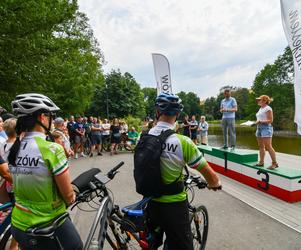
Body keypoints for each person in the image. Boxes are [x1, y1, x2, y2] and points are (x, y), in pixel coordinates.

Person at [145, 93, 221, 250]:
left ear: (157, 112)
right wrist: (215, 183)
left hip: (150, 202)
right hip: (174, 205)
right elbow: (209, 173)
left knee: (151, 243)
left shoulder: (144, 137)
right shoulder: (182, 141)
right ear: (178, 115)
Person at [8, 93, 83, 249]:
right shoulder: (52, 149)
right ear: (42, 117)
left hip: (18, 224)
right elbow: (68, 196)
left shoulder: (13, 147)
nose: (52, 121)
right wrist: (72, 196)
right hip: (47, 224)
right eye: (51, 116)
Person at [254, 95, 278, 170]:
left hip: (266, 128)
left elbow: (270, 120)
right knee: (261, 146)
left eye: (259, 100)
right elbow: (259, 118)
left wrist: (260, 121)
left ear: (264, 101)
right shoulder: (261, 108)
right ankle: (261, 162)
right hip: (259, 128)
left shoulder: (268, 108)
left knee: (268, 146)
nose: (258, 101)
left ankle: (274, 163)